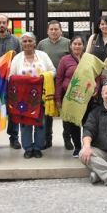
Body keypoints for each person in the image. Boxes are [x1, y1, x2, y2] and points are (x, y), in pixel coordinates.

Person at [9, 32, 56, 158]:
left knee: (41, 123)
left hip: (41, 95)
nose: (27, 43)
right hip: (23, 98)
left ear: (35, 43)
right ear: (21, 44)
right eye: (24, 41)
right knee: (25, 123)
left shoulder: (43, 56)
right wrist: (23, 80)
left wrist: (43, 77)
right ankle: (28, 148)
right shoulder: (17, 58)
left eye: (30, 41)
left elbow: (53, 71)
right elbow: (10, 76)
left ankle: (38, 148)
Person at [37, 20, 71, 150]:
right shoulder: (42, 44)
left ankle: (67, 140)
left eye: (56, 29)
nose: (53, 31)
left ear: (61, 31)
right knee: (48, 111)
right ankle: (47, 140)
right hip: (47, 82)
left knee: (65, 111)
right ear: (47, 31)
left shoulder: (68, 43)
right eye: (51, 29)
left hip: (64, 82)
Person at [0, 14, 22, 150]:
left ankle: (14, 137)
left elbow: (21, 58)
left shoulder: (16, 41)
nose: (2, 25)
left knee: (14, 109)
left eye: (4, 22)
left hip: (11, 81)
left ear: (8, 24)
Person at [56, 35, 85, 157]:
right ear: (71, 46)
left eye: (79, 44)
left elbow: (97, 76)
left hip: (86, 97)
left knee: (88, 122)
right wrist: (58, 98)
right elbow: (59, 79)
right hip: (70, 97)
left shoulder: (88, 59)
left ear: (83, 46)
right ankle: (78, 147)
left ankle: (89, 146)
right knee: (73, 123)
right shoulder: (65, 60)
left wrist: (96, 89)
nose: (77, 46)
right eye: (75, 44)